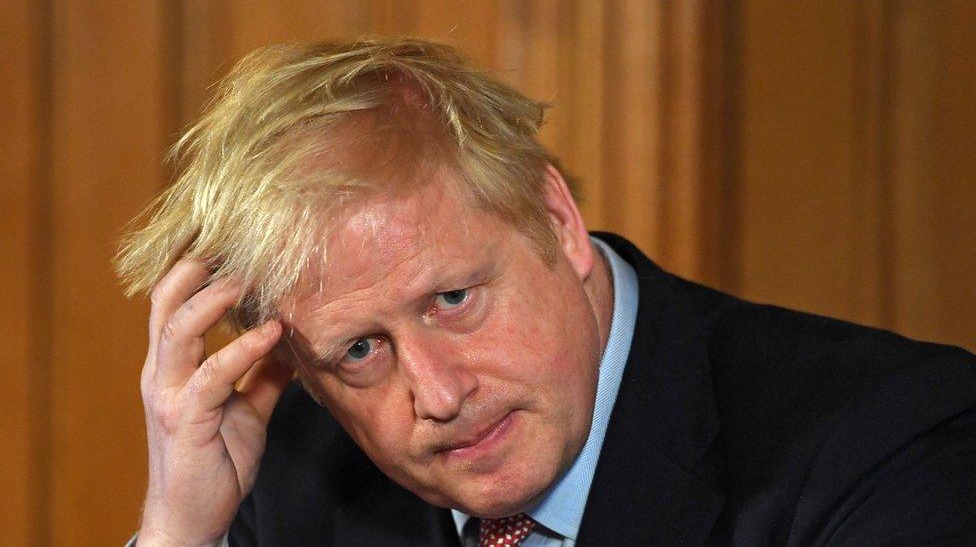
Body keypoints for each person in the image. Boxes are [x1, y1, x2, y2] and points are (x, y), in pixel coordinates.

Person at [116, 39, 976, 546]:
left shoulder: (889, 442)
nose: (439, 395)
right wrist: (177, 531)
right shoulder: (291, 472)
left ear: (556, 219)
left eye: (453, 298)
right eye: (360, 350)